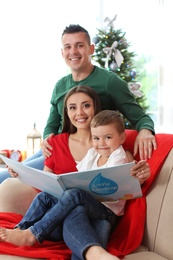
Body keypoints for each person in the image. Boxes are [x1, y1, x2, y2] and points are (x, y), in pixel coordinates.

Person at [0, 87, 150, 260]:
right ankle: (21, 230)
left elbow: (130, 178)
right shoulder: (90, 152)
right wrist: (21, 174)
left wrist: (139, 176)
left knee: (75, 197)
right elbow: (54, 181)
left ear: (95, 107)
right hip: (72, 215)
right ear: (66, 112)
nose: (79, 112)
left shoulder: (119, 154)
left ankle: (33, 235)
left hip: (103, 213)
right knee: (52, 198)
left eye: (86, 105)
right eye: (72, 107)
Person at [0, 24, 157, 183]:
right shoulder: (60, 86)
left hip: (82, 152)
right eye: (68, 47)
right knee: (12, 171)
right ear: (62, 53)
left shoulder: (110, 82)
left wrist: (145, 130)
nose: (73, 52)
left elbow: (139, 116)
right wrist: (47, 138)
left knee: (5, 178)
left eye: (79, 45)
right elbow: (51, 124)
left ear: (91, 49)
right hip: (55, 151)